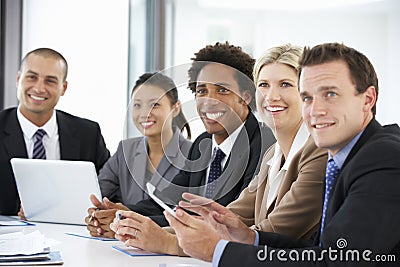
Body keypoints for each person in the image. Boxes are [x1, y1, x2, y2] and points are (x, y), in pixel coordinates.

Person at [166, 42, 400, 266]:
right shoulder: (343, 157)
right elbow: (321, 252)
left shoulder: (384, 159)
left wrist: (218, 251)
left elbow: (336, 262)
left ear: (367, 100)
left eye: (330, 94)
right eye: (307, 97)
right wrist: (249, 238)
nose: (315, 110)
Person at [107, 42, 276, 252]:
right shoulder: (202, 144)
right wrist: (123, 214)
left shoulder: (265, 144)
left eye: (222, 90)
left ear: (246, 97)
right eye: (201, 90)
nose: (209, 101)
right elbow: (168, 199)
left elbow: (230, 218)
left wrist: (151, 229)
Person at [173, 44, 327, 243]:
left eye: (285, 84)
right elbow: (229, 218)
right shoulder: (272, 155)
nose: (271, 96)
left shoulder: (320, 151)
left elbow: (273, 232)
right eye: (263, 85)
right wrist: (157, 232)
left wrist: (167, 242)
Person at [0, 48, 110, 215]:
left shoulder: (88, 134)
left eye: (50, 81)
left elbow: (108, 192)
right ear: (18, 79)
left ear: (63, 88)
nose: (39, 88)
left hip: (71, 235)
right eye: (32, 77)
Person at [85, 72, 192, 236]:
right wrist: (99, 216)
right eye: (137, 105)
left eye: (154, 104)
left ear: (175, 108)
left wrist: (126, 218)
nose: (144, 113)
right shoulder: (125, 151)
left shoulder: (193, 155)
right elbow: (98, 195)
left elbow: (182, 214)